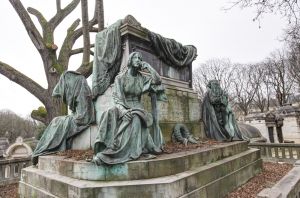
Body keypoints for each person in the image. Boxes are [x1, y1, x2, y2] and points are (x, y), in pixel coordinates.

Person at [93, 52, 165, 165]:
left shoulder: (142, 78)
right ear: (130, 61)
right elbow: (117, 98)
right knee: (109, 113)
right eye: (135, 58)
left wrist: (149, 67)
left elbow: (157, 80)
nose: (138, 60)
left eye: (140, 59)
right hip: (122, 105)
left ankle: (123, 153)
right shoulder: (120, 78)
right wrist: (123, 111)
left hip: (138, 108)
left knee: (135, 117)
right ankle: (108, 147)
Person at [32, 71, 95, 165]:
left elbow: (82, 116)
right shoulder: (79, 88)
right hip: (79, 117)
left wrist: (70, 118)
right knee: (57, 121)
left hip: (82, 119)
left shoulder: (81, 89)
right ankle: (44, 148)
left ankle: (44, 148)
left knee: (57, 122)